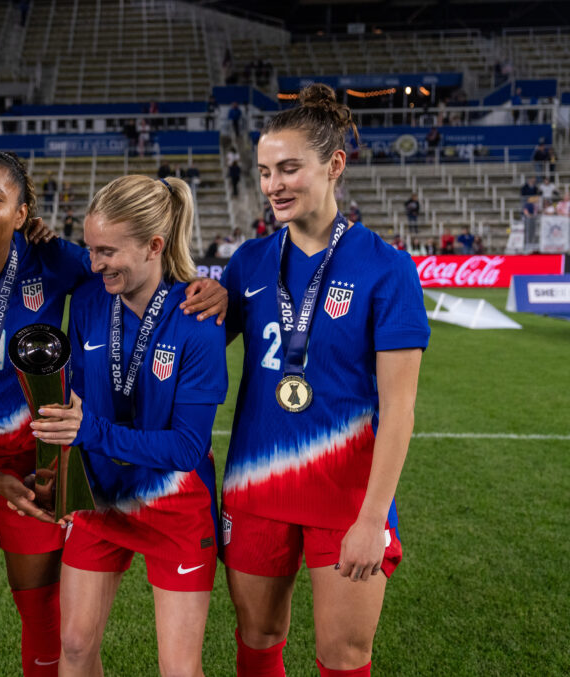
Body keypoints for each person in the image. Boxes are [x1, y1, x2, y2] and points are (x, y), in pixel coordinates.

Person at [0, 150, 227, 677]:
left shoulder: (65, 265)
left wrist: (215, 290)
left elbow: (136, 273)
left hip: (40, 467)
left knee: (50, 618)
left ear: (22, 215)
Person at [219, 83, 429, 677]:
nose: (273, 185)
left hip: (348, 497)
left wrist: (373, 518)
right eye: (264, 172)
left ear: (334, 165)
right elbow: (191, 354)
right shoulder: (248, 263)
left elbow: (400, 408)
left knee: (344, 656)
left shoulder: (386, 267)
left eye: (289, 168)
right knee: (257, 641)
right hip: (255, 489)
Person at [27, 175, 228, 676]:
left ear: (154, 245)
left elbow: (186, 449)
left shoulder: (198, 320)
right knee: (73, 645)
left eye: (107, 252)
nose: (94, 264)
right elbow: (57, 252)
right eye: (91, 249)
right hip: (101, 499)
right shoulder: (93, 298)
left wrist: (87, 431)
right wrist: (65, 478)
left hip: (175, 506)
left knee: (179, 669)